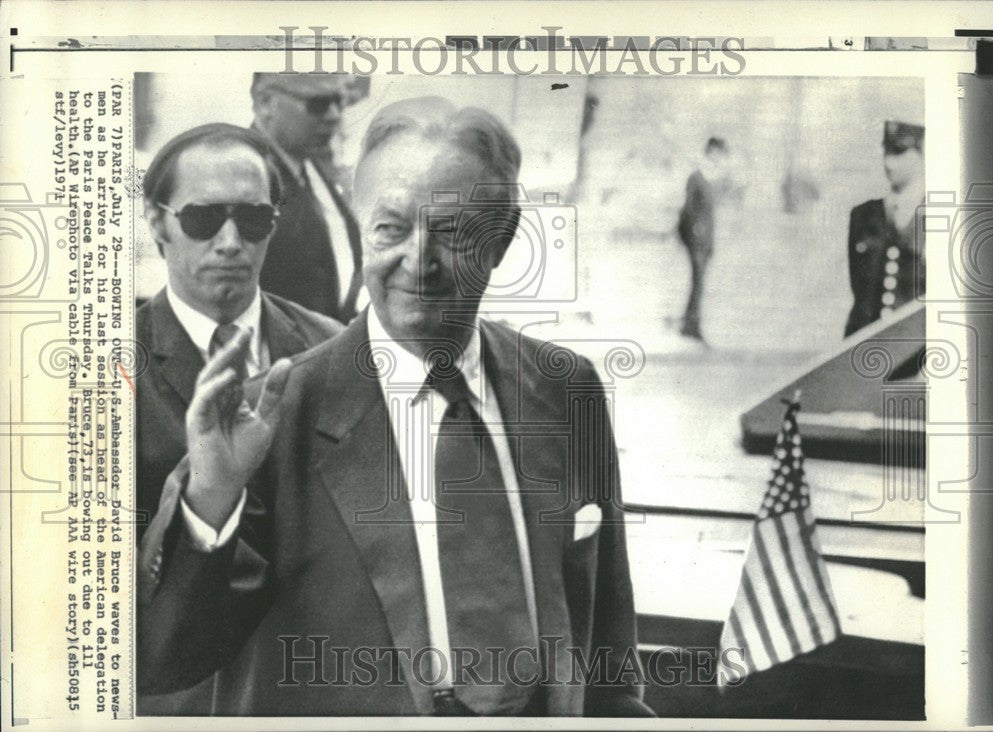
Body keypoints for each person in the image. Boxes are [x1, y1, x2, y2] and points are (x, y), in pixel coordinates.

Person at [136, 97, 653, 717]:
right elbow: (166, 659)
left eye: (453, 231)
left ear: (505, 239)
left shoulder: (566, 389)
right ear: (361, 230)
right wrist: (210, 502)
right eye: (391, 227)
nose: (418, 260)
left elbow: (608, 643)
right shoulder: (271, 418)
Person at [135, 123, 343, 713]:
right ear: (157, 223)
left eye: (253, 221)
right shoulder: (103, 371)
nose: (230, 242)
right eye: (203, 219)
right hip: (175, 700)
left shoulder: (334, 351)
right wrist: (208, 500)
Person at [251, 73, 363, 324]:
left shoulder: (310, 164)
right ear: (266, 103)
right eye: (319, 104)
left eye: (339, 101)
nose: (334, 116)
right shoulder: (246, 174)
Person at [844, 121, 926, 337]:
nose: (888, 162)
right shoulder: (863, 216)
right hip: (865, 350)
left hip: (916, 356)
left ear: (922, 152)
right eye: (886, 151)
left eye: (899, 152)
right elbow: (860, 293)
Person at [676, 137, 729, 342]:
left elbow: (710, 214)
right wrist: (694, 232)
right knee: (698, 281)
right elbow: (688, 209)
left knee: (699, 282)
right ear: (710, 152)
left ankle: (690, 323)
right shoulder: (696, 177)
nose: (719, 158)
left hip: (706, 240)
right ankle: (691, 325)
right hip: (695, 239)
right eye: (717, 154)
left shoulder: (712, 180)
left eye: (721, 155)